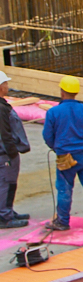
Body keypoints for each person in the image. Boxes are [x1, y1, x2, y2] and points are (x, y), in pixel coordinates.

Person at [43, 74, 83, 232]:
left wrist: (57, 148)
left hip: (65, 156)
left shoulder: (54, 112)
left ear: (62, 92)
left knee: (64, 188)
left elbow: (47, 136)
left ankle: (62, 221)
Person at [0, 71, 28, 229]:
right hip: (5, 154)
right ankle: (4, 216)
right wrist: (12, 152)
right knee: (6, 183)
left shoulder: (2, 105)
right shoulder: (0, 108)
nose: (7, 87)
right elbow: (4, 133)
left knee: (9, 183)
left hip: (6, 152)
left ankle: (7, 211)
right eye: (5, 84)